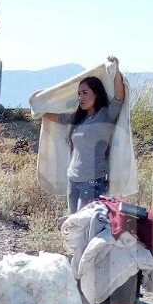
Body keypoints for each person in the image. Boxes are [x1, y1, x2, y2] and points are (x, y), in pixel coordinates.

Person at [41, 57, 127, 213]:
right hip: (72, 180)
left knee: (85, 225)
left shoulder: (106, 115)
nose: (81, 97)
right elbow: (58, 118)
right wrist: (38, 107)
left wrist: (115, 70)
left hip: (93, 182)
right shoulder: (78, 118)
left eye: (85, 93)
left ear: (97, 94)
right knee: (74, 225)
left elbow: (119, 97)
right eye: (79, 94)